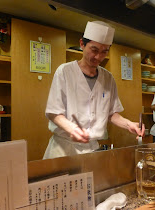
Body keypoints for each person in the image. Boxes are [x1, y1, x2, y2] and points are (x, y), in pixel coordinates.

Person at [43, 21, 144, 159]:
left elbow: (111, 113)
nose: (98, 57)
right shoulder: (65, 71)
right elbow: (54, 112)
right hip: (63, 149)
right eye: (94, 50)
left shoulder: (108, 78)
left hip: (92, 149)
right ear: (82, 44)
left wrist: (129, 124)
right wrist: (72, 129)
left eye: (104, 52)